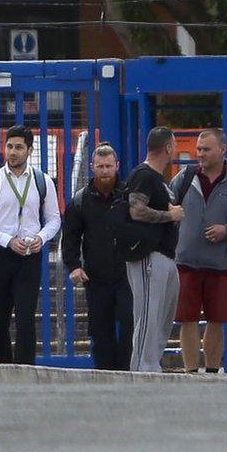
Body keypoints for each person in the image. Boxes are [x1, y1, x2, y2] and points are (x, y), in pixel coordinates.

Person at [172, 128, 227, 374]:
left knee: (216, 319)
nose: (200, 154)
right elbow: (168, 206)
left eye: (206, 149)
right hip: (185, 261)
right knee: (186, 318)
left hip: (220, 264)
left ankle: (211, 371)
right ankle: (191, 372)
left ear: (223, 150)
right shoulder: (184, 178)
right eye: (199, 149)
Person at [0, 125, 62, 365]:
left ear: (29, 150)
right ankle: (1, 368)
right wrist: (7, 240)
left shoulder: (42, 181)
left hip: (29, 257)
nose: (13, 152)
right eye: (9, 146)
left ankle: (25, 368)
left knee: (25, 316)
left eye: (19, 147)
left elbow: (54, 219)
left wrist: (41, 238)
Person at [62, 142, 133, 370]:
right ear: (92, 166)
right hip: (96, 277)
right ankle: (105, 372)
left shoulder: (129, 196)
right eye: (100, 166)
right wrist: (73, 266)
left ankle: (126, 370)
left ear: (117, 166)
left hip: (127, 275)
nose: (104, 171)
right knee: (100, 330)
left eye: (108, 166)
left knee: (130, 323)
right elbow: (70, 236)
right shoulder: (80, 201)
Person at [126, 126, 185, 372]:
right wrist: (169, 215)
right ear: (168, 147)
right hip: (149, 257)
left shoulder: (157, 179)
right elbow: (135, 210)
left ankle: (152, 364)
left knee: (162, 317)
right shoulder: (144, 175)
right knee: (148, 316)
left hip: (166, 256)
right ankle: (142, 369)